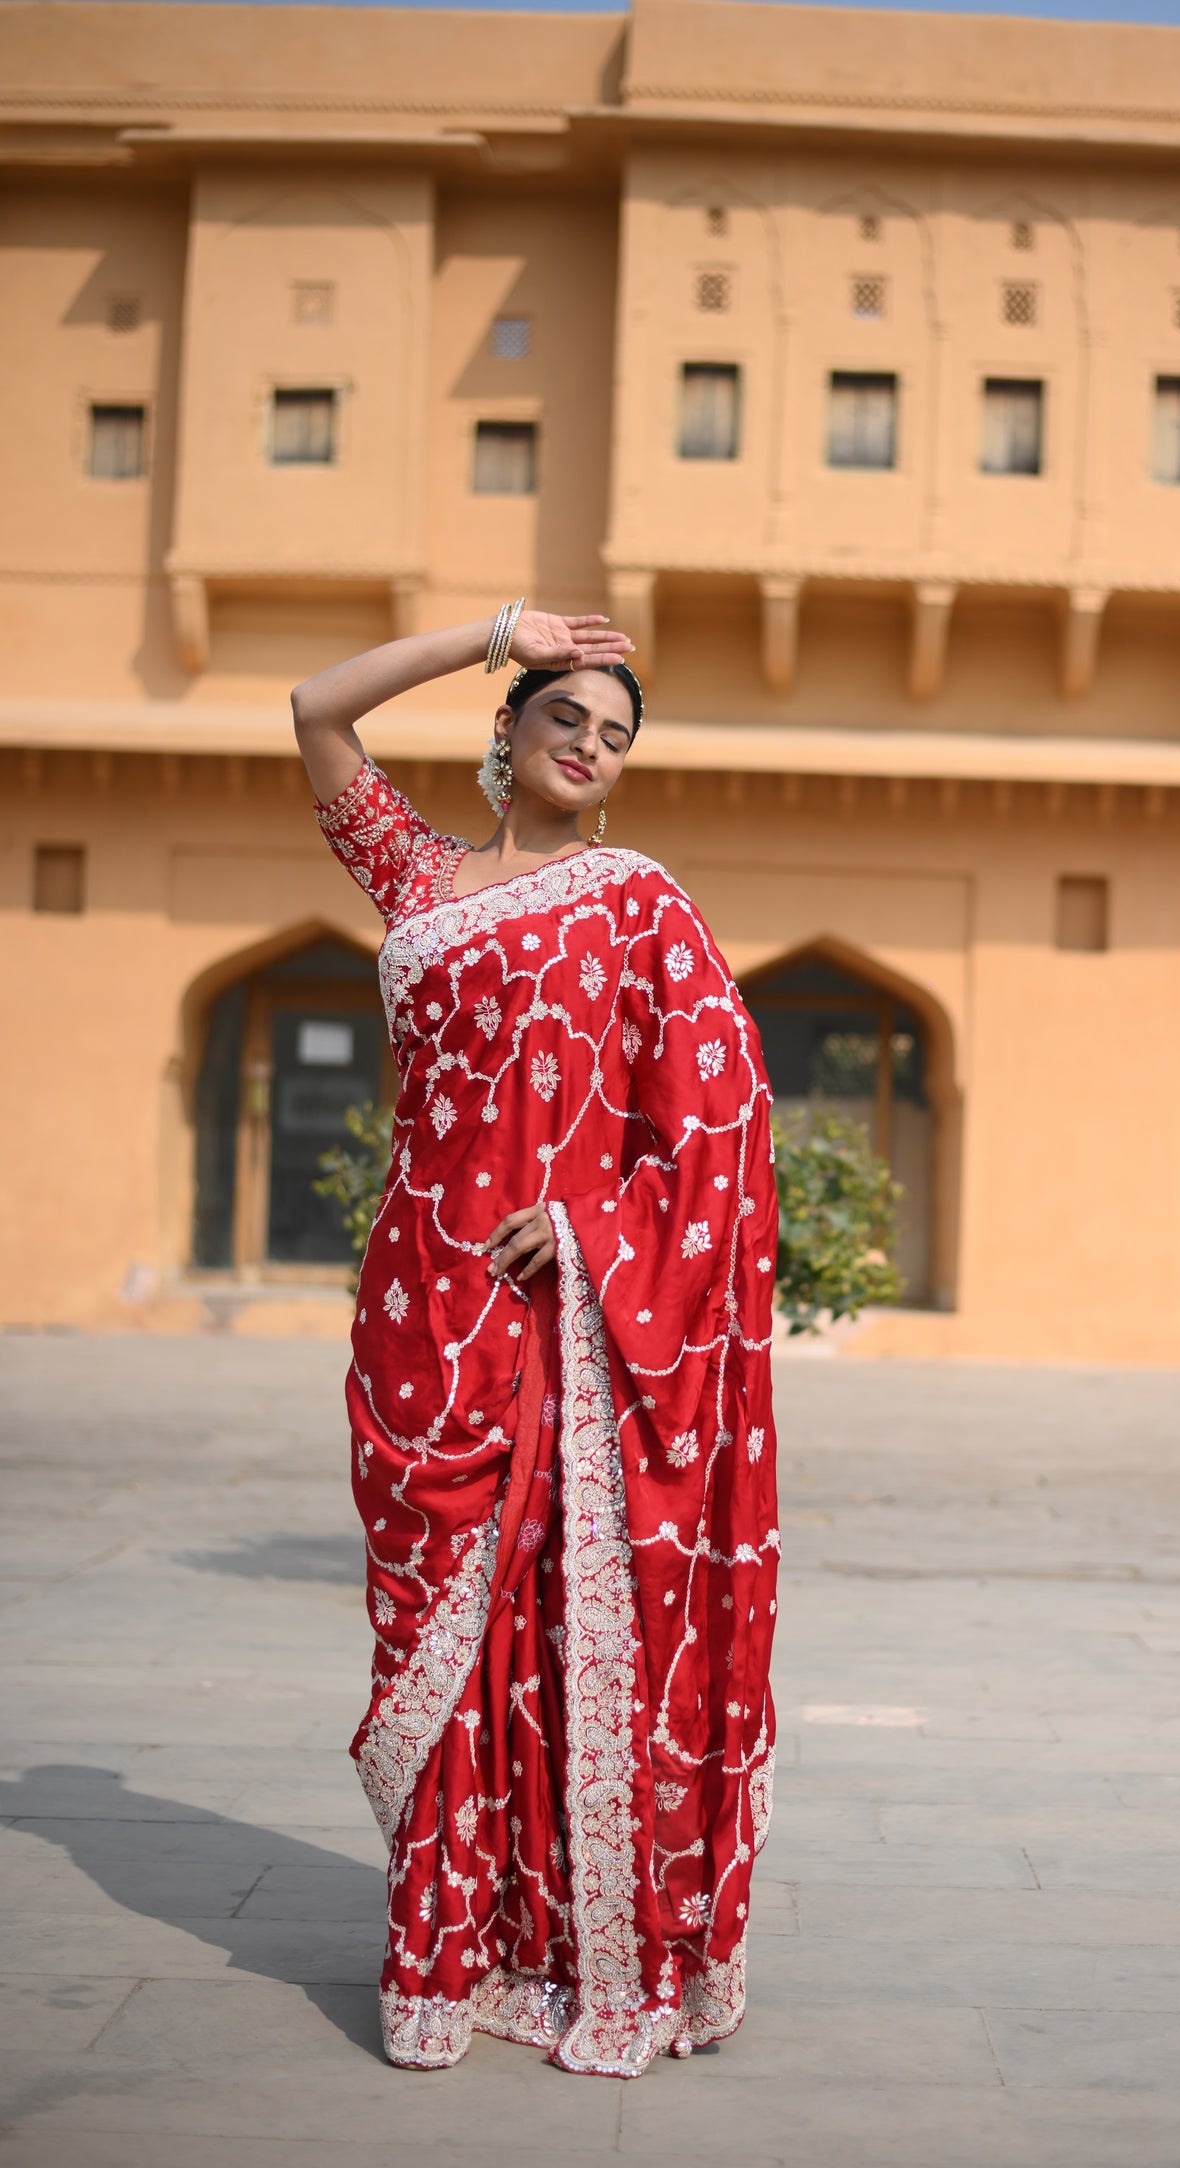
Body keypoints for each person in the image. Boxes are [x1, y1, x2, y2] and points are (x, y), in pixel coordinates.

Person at [291, 605, 780, 2077]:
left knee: (562, 1633)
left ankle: (573, 1953)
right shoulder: (417, 877)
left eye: (615, 736)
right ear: (507, 729)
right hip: (416, 1310)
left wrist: (588, 1233)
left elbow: (721, 1122)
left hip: (558, 1318)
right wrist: (492, 631)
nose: (590, 746)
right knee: (432, 1644)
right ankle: (446, 1948)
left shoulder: (636, 903)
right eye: (565, 715)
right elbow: (317, 710)